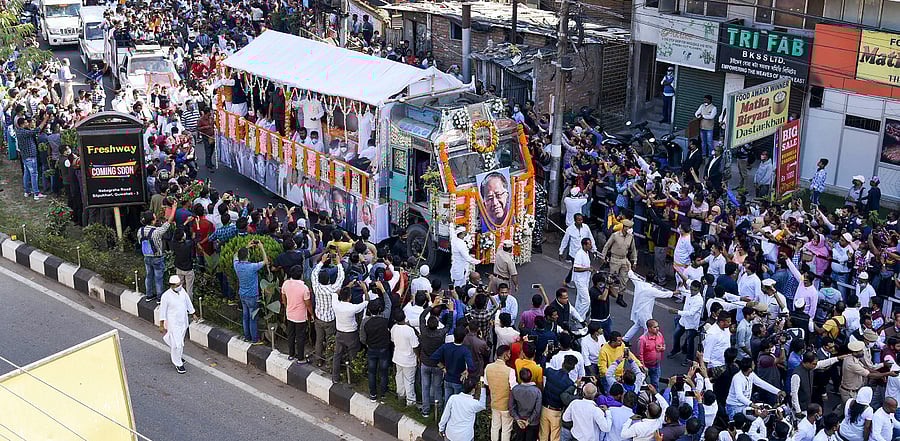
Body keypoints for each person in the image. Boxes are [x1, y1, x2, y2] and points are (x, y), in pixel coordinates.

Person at [158, 275, 196, 374]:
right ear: (172, 285)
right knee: (176, 344)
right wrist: (161, 324)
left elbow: (188, 302)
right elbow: (162, 312)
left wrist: (193, 313)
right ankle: (178, 363)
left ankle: (178, 356)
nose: (180, 286)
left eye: (180, 284)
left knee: (180, 341)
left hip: (183, 321)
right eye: (178, 285)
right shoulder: (166, 296)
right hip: (173, 323)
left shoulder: (182, 292)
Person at [310, 257, 344, 368]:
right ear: (329, 280)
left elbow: (314, 274)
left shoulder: (316, 287)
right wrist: (339, 263)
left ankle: (319, 360)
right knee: (330, 341)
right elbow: (341, 278)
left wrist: (321, 261)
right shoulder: (333, 289)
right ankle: (329, 363)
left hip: (319, 319)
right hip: (330, 320)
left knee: (319, 340)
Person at [624, 271, 674, 343]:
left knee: (637, 325)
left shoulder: (639, 283)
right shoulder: (652, 290)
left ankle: (625, 339)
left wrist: (629, 267)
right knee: (648, 330)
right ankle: (643, 344)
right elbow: (664, 294)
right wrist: (674, 293)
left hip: (637, 311)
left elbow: (631, 275)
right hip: (645, 314)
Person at [234, 241, 269, 345]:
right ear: (248, 256)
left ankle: (247, 337)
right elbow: (266, 261)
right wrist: (261, 247)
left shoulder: (236, 265)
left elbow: (235, 255)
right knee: (253, 317)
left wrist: (246, 247)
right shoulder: (252, 266)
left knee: (245, 316)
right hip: (252, 295)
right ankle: (255, 339)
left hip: (242, 294)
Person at [139, 209, 174, 303]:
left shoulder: (140, 231)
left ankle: (149, 295)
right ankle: (159, 297)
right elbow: (168, 223)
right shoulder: (156, 231)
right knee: (158, 278)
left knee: (149, 276)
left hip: (146, 256)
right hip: (157, 257)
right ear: (152, 220)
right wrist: (174, 208)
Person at [432, 327, 476, 403]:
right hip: (458, 380)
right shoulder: (465, 350)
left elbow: (434, 357)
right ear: (464, 337)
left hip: (447, 378)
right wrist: (467, 371)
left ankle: (446, 414)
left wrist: (442, 367)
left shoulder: (446, 346)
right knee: (457, 403)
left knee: (447, 401)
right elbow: (471, 367)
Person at [360, 299, 390, 402]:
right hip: (383, 349)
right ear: (380, 309)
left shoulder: (365, 321)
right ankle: (383, 395)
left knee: (372, 372)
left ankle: (373, 394)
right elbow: (388, 305)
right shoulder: (384, 319)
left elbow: (362, 339)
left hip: (371, 349)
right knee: (383, 372)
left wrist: (367, 344)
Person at [281, 265, 312, 362]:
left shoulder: (285, 284)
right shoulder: (304, 288)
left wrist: (287, 306)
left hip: (289, 314)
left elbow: (283, 297)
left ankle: (291, 354)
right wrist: (312, 314)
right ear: (301, 275)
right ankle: (300, 358)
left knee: (291, 335)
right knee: (300, 337)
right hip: (300, 317)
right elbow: (308, 304)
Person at [486, 345, 516, 441]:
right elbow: (514, 388)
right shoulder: (510, 371)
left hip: (494, 403)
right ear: (505, 355)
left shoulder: (488, 367)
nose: (510, 355)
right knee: (506, 430)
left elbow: (486, 383)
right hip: (506, 406)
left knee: (495, 427)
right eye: (509, 353)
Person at [390, 310, 419, 408]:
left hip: (398, 357)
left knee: (399, 378)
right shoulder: (409, 330)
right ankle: (410, 402)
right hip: (409, 360)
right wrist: (418, 357)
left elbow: (393, 340)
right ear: (404, 317)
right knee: (409, 381)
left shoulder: (394, 328)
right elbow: (415, 346)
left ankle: (401, 396)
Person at [600, 219, 637, 290]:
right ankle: (606, 293)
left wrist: (634, 261)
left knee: (624, 280)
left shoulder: (631, 237)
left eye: (630, 228)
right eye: (628, 227)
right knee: (611, 279)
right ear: (624, 227)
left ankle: (620, 296)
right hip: (615, 259)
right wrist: (603, 257)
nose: (629, 229)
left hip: (624, 260)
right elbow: (607, 246)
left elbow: (633, 249)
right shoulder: (615, 235)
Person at [509, 368, 542, 441]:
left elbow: (511, 407)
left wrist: (517, 419)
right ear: (531, 377)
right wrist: (528, 421)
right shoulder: (537, 391)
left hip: (519, 421)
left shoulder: (515, 389)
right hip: (532, 423)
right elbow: (537, 410)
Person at [637, 319, 665, 389]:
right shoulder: (642, 339)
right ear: (649, 328)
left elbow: (663, 345)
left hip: (656, 365)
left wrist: (662, 348)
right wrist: (643, 367)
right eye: (655, 327)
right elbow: (640, 355)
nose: (657, 329)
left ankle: (655, 398)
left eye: (657, 326)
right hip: (646, 366)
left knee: (655, 384)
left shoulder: (660, 335)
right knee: (641, 384)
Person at [572, 238, 595, 320]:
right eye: (589, 244)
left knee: (580, 299)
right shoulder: (579, 254)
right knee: (586, 301)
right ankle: (580, 319)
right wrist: (587, 269)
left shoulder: (586, 253)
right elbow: (576, 268)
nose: (590, 245)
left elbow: (585, 266)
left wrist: (589, 268)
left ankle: (576, 315)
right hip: (580, 280)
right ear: (584, 245)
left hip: (585, 280)